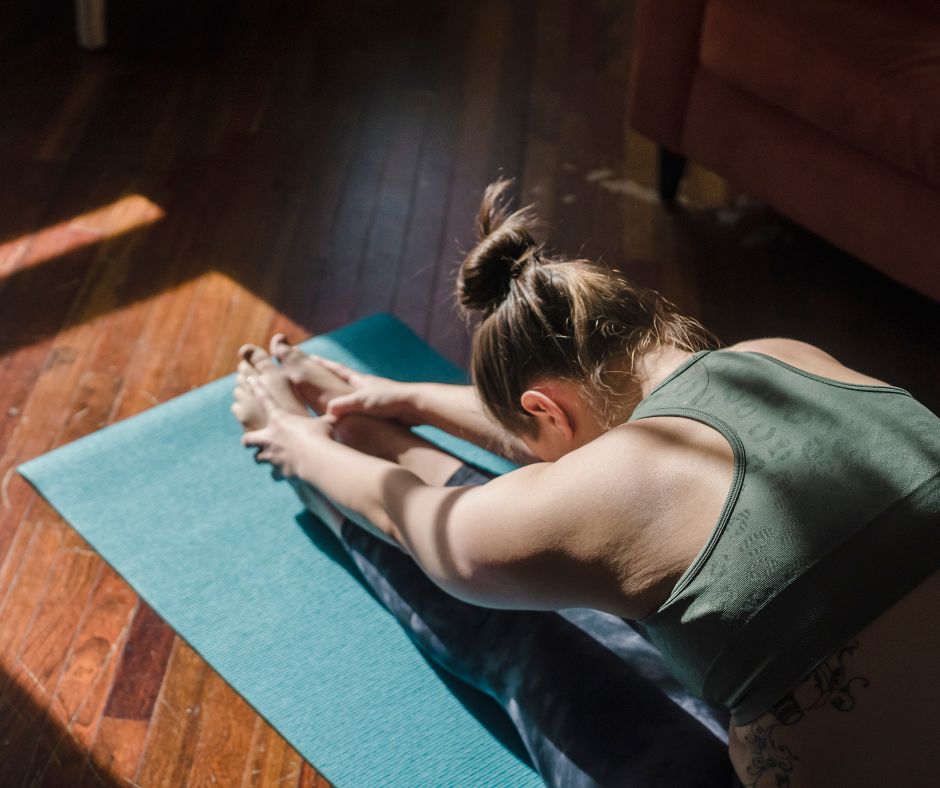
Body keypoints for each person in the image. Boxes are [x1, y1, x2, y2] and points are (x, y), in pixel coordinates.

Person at [232, 179, 940, 787]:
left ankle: (347, 438)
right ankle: (364, 423)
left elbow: (432, 530)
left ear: (543, 409)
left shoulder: (622, 486)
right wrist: (410, 397)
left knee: (529, 637)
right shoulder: (783, 359)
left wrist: (293, 443)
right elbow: (610, 431)